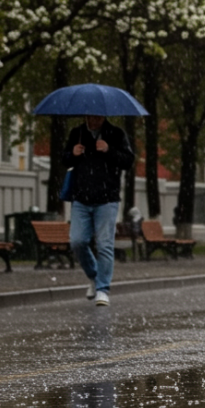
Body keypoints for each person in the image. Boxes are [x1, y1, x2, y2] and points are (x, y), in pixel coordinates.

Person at [62, 114, 134, 307]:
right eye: (90, 117)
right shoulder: (77, 133)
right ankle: (94, 276)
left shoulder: (116, 134)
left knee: (104, 245)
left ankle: (102, 289)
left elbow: (128, 161)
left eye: (97, 117)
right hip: (81, 199)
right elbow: (64, 159)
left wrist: (109, 150)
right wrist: (72, 154)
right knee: (77, 241)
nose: (93, 121)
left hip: (107, 199)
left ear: (103, 116)